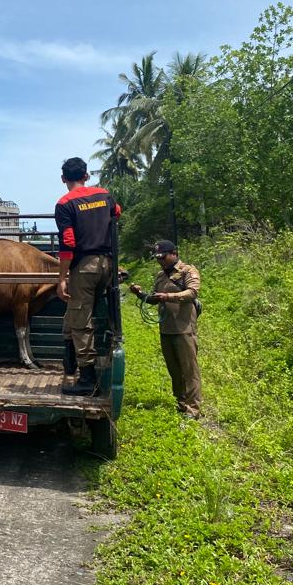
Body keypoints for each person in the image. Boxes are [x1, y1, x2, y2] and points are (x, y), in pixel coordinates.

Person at [54, 157, 121, 395]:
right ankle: (70, 364)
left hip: (84, 267)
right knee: (75, 314)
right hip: (108, 265)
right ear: (87, 175)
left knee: (81, 321)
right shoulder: (104, 195)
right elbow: (117, 213)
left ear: (64, 179)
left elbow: (68, 242)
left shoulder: (64, 204)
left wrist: (62, 278)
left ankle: (87, 379)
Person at [129, 240, 202, 419]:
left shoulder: (187, 271)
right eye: (157, 258)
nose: (159, 261)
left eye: (163, 257)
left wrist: (169, 296)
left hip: (184, 328)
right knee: (174, 369)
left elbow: (192, 292)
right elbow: (154, 299)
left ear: (174, 254)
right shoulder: (161, 276)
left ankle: (193, 409)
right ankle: (181, 402)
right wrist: (139, 294)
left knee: (189, 370)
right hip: (167, 328)